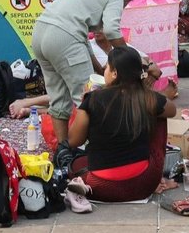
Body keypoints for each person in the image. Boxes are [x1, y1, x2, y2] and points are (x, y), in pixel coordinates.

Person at [32, 0, 137, 143]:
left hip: (40, 33)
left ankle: (63, 153)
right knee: (89, 98)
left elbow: (82, 41)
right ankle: (94, 151)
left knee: (58, 99)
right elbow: (111, 30)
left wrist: (98, 67)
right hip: (63, 37)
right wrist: (128, 58)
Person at [62, 46, 176, 204]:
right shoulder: (146, 98)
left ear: (115, 73)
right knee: (160, 116)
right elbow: (172, 110)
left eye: (107, 67)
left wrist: (84, 106)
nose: (105, 70)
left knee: (75, 164)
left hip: (100, 187)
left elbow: (74, 141)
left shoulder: (93, 99)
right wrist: (151, 95)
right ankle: (158, 175)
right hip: (144, 182)